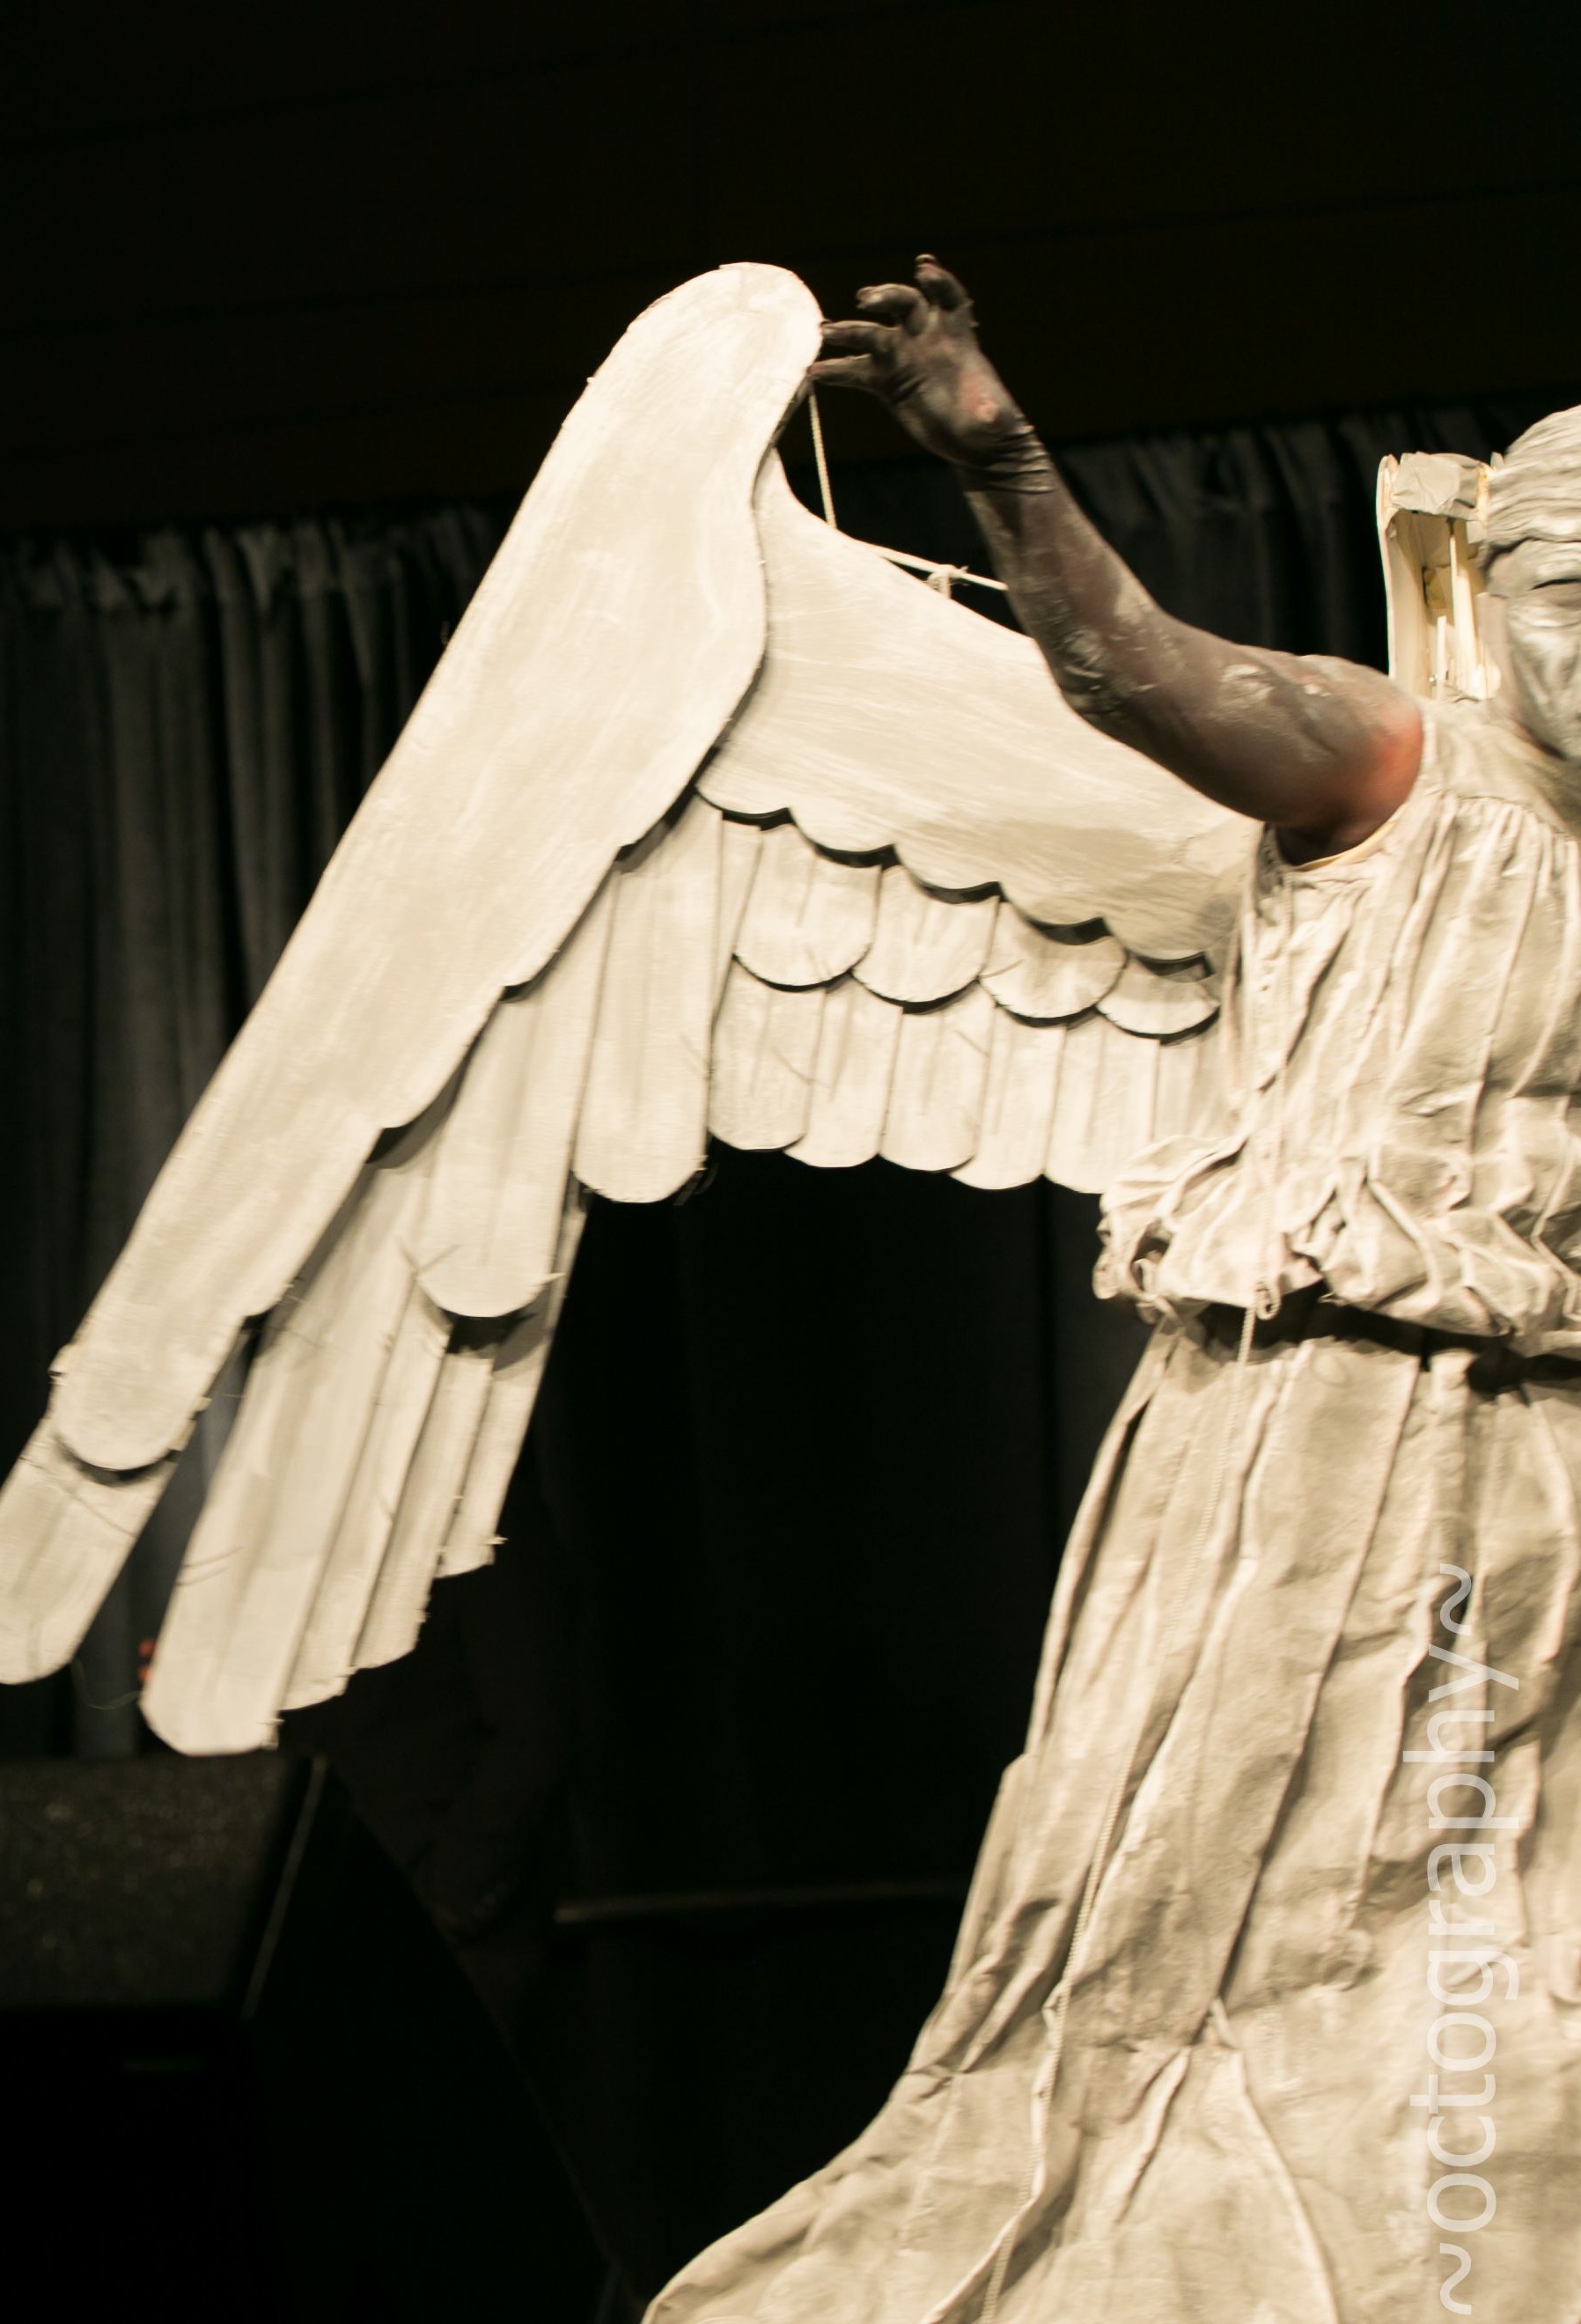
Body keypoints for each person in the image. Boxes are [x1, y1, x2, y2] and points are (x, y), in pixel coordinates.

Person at [654, 261, 1581, 2322]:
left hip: (1546, 1466)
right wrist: (1000, 459)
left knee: (1510, 1935)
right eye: (1579, 601)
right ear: (1496, 587)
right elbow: (1131, 672)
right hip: (1321, 1430)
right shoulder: (1394, 760)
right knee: (1238, 1905)